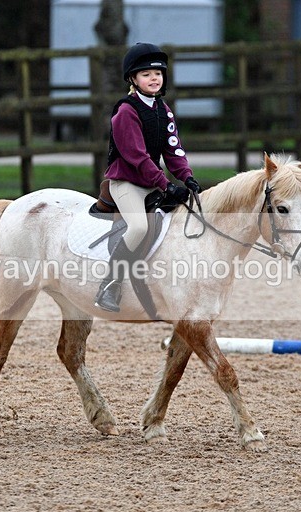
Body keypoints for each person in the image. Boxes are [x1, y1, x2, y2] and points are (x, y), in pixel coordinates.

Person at [94, 42, 201, 313]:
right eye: (146, 74)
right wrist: (166, 184)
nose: (154, 78)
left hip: (150, 181)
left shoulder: (163, 110)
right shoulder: (126, 112)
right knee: (139, 227)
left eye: (158, 73)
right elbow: (138, 158)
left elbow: (173, 149)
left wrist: (186, 177)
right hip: (126, 183)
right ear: (133, 79)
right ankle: (110, 284)